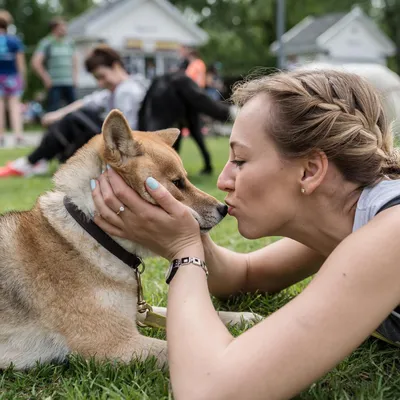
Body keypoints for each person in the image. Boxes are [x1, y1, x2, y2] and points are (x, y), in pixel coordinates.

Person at [90, 69, 400, 399]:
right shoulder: (353, 221)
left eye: (240, 159)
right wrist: (181, 230)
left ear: (310, 171)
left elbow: (210, 389)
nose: (223, 180)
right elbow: (245, 277)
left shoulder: (391, 230)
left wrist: (184, 252)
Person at [0, 44, 147, 177]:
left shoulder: (127, 91)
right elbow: (86, 102)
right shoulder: (116, 91)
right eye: (97, 79)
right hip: (117, 143)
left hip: (126, 147)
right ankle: (37, 161)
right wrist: (56, 115)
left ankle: (32, 162)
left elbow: (129, 130)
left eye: (102, 76)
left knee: (75, 120)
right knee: (77, 116)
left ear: (115, 66)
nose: (100, 83)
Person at [175, 45, 214, 175]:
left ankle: (208, 165)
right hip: (186, 102)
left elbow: (195, 83)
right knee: (180, 134)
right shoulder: (191, 65)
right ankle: (174, 164)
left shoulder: (197, 64)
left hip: (191, 102)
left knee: (194, 134)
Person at [31, 16, 77, 112]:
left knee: (74, 109)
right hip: (54, 83)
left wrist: (75, 78)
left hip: (69, 82)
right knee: (53, 109)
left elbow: (75, 61)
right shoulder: (46, 43)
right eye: (62, 27)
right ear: (54, 28)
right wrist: (45, 77)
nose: (65, 29)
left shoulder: (69, 43)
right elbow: (35, 62)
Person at [0, 10, 26, 147]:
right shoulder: (14, 41)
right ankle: (18, 136)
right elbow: (20, 63)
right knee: (15, 107)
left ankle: (1, 137)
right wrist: (23, 79)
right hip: (12, 77)